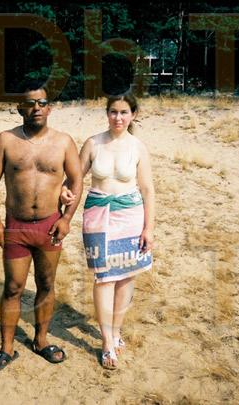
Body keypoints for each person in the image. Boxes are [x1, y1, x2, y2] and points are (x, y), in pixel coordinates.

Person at [0, 83, 83, 372]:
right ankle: (6, 349)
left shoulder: (64, 142)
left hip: (50, 226)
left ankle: (41, 341)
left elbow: (77, 180)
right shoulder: (6, 140)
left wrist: (66, 218)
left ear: (49, 108)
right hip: (16, 226)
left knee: (46, 284)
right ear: (19, 108)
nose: (36, 108)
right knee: (13, 287)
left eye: (41, 103)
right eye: (29, 103)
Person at [61, 93, 155, 369]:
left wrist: (149, 228)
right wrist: (64, 191)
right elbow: (75, 179)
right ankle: (106, 342)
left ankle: (115, 331)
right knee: (104, 278)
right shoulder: (93, 143)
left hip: (131, 216)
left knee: (125, 276)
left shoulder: (138, 147)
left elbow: (148, 190)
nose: (118, 117)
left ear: (133, 114)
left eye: (124, 112)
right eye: (113, 111)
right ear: (107, 113)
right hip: (98, 216)